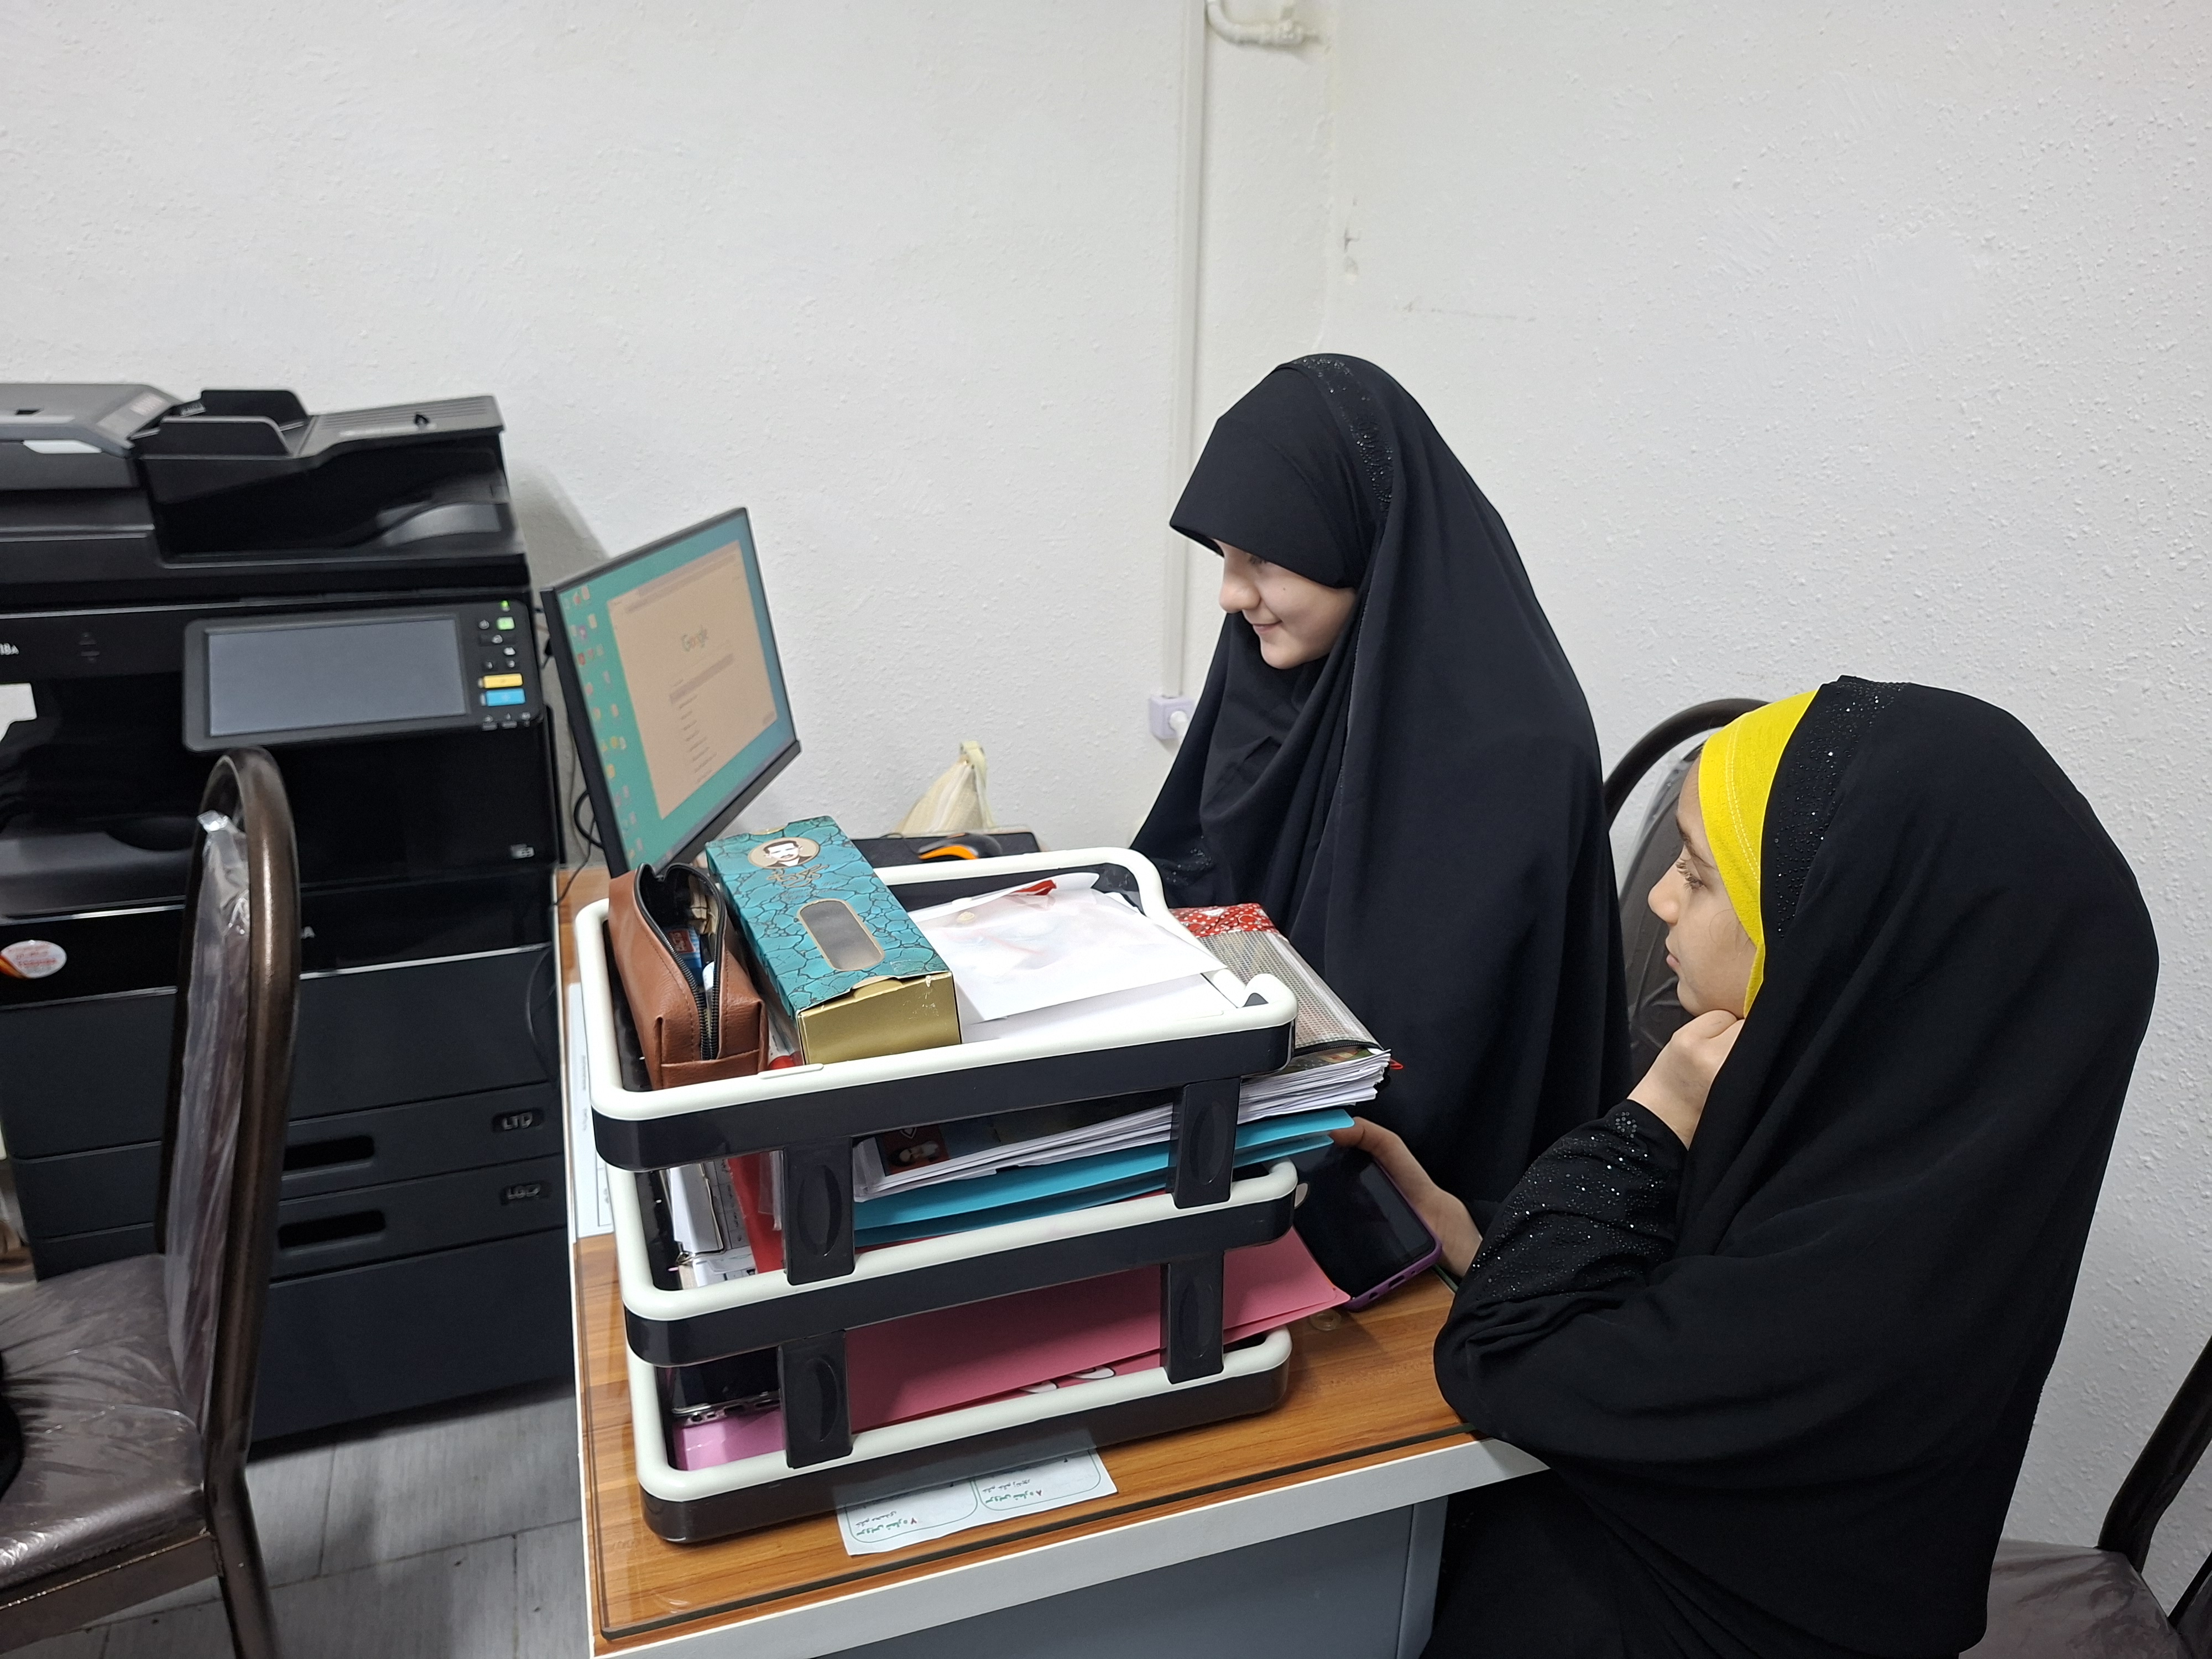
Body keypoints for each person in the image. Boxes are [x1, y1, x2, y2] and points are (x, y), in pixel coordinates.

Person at [1342, 678, 2159, 1659]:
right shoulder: (1911, 1166)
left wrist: (1657, 1114)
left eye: (1696, 873)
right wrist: (1489, 1245)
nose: (1658, 898)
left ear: (1841, 935)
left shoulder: (1859, 1296)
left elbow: (1504, 1360)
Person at [1134, 354, 1627, 1208]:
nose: (1230, 595)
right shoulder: (1276, 672)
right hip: (1258, 1102)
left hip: (1409, 1181)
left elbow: (1430, 1063)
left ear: (1357, 541)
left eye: (1263, 561)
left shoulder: (1513, 751)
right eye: (1224, 557)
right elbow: (1197, 871)